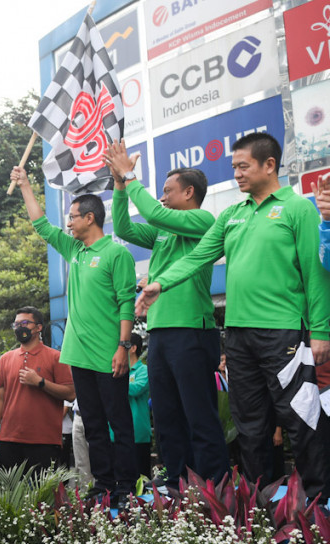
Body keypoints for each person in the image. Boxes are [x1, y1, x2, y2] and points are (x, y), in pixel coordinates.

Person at [137, 132, 330, 499]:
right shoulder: (231, 214)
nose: (237, 174)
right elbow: (198, 256)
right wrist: (160, 283)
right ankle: (259, 505)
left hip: (283, 334)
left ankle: (318, 503)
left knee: (300, 419)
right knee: (251, 426)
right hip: (238, 337)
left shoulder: (297, 208)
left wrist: (320, 330)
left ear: (269, 165)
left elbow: (316, 272)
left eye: (243, 166)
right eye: (234, 167)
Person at [105, 139, 230, 487]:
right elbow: (124, 228)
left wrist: (130, 176)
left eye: (167, 191)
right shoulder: (163, 231)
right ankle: (176, 479)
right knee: (166, 413)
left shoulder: (203, 220)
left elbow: (153, 213)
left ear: (189, 193)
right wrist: (119, 185)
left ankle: (213, 483)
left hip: (192, 330)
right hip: (159, 332)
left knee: (199, 413)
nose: (161, 197)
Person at [12, 166, 138, 508]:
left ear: (90, 218)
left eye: (73, 217)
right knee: (92, 424)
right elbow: (41, 225)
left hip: (109, 355)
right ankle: (103, 485)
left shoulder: (116, 254)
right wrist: (25, 185)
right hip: (79, 356)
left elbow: (127, 302)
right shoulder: (75, 251)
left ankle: (126, 487)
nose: (68, 223)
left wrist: (123, 346)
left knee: (118, 423)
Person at [0, 307, 75, 472]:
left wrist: (40, 382)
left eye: (25, 323)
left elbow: (71, 394)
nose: (20, 328)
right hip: (9, 439)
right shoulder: (6, 359)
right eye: (16, 324)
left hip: (44, 441)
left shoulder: (56, 357)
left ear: (38, 327)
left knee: (43, 488)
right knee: (11, 488)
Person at [122, 333, 151, 478]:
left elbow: (136, 389)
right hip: (117, 433)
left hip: (138, 432)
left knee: (141, 477)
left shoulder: (144, 370)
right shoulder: (118, 370)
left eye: (123, 345)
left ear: (133, 348)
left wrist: (115, 382)